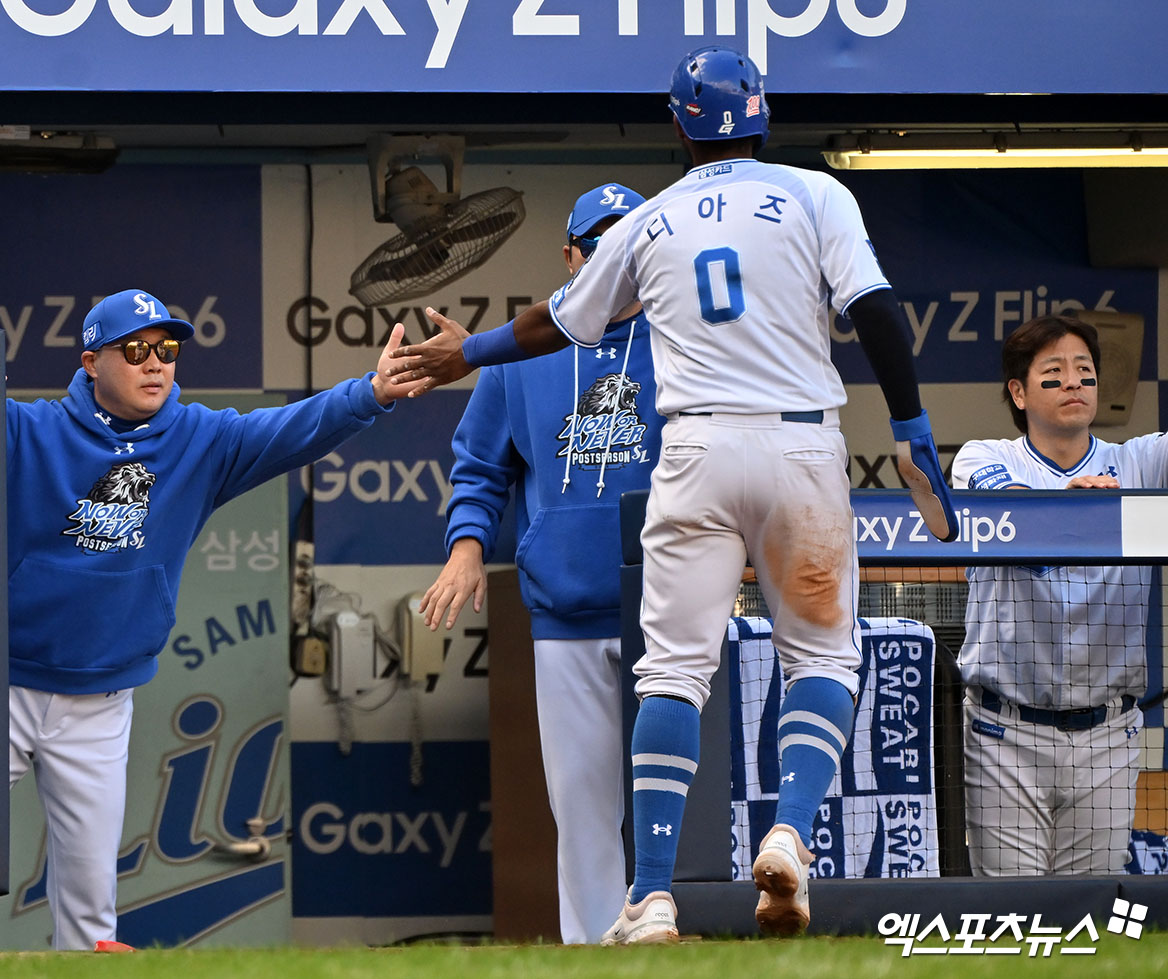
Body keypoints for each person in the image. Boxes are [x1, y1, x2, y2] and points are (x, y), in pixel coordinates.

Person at [387, 45, 956, 943]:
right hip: (796, 439)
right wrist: (912, 423)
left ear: (680, 128)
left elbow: (556, 319)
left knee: (674, 674)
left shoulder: (650, 222)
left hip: (694, 452)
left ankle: (652, 897)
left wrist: (470, 351)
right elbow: (877, 310)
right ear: (763, 114)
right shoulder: (816, 194)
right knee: (823, 659)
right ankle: (790, 831)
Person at [4, 288, 418, 951]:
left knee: (88, 912)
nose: (155, 363)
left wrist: (370, 391)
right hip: (5, 686)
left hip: (102, 700)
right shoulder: (29, 431)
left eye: (167, 349)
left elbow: (292, 429)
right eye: (135, 349)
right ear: (90, 361)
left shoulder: (198, 438)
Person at [420, 182, 660, 944]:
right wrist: (466, 551)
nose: (616, 264)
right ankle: (593, 952)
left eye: (633, 247)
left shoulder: (691, 338)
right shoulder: (521, 351)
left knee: (681, 803)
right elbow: (479, 467)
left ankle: (691, 951)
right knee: (585, 808)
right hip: (565, 611)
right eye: (599, 248)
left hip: (671, 607)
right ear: (569, 256)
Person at [953, 314, 1157, 876]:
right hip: (1004, 733)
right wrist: (1073, 508)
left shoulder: (1140, 462)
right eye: (1055, 372)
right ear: (1018, 392)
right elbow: (1027, 534)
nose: (1074, 382)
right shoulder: (982, 456)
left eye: (1085, 372)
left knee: (1088, 924)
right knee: (1009, 924)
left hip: (1108, 737)